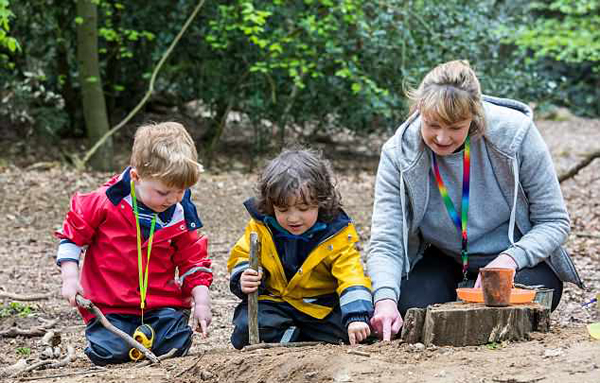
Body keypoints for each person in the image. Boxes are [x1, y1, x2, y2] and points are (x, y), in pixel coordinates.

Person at [367, 60, 583, 341]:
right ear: (419, 109)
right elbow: (386, 240)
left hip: (513, 260)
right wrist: (384, 299)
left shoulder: (515, 134)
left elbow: (554, 222)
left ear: (474, 116)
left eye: (455, 127)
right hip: (444, 257)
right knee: (409, 308)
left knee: (533, 297)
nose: (442, 138)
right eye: (432, 125)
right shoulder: (398, 153)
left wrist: (509, 260)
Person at [56, 122, 212, 365]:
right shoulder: (105, 202)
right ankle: (125, 340)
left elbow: (193, 258)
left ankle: (149, 337)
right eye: (163, 192)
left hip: (161, 304)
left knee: (176, 343)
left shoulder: (181, 211)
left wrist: (201, 301)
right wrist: (70, 278)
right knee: (108, 353)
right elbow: (72, 236)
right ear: (136, 177)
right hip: (110, 304)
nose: (172, 199)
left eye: (181, 191)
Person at [227, 148, 373, 349]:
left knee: (358, 331)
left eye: (304, 209)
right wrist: (244, 275)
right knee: (245, 329)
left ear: (321, 202)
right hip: (276, 302)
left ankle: (294, 337)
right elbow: (242, 254)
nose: (293, 218)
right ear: (271, 205)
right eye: (283, 210)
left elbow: (351, 274)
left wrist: (357, 316)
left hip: (319, 307)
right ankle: (296, 337)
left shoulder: (336, 234)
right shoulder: (261, 227)